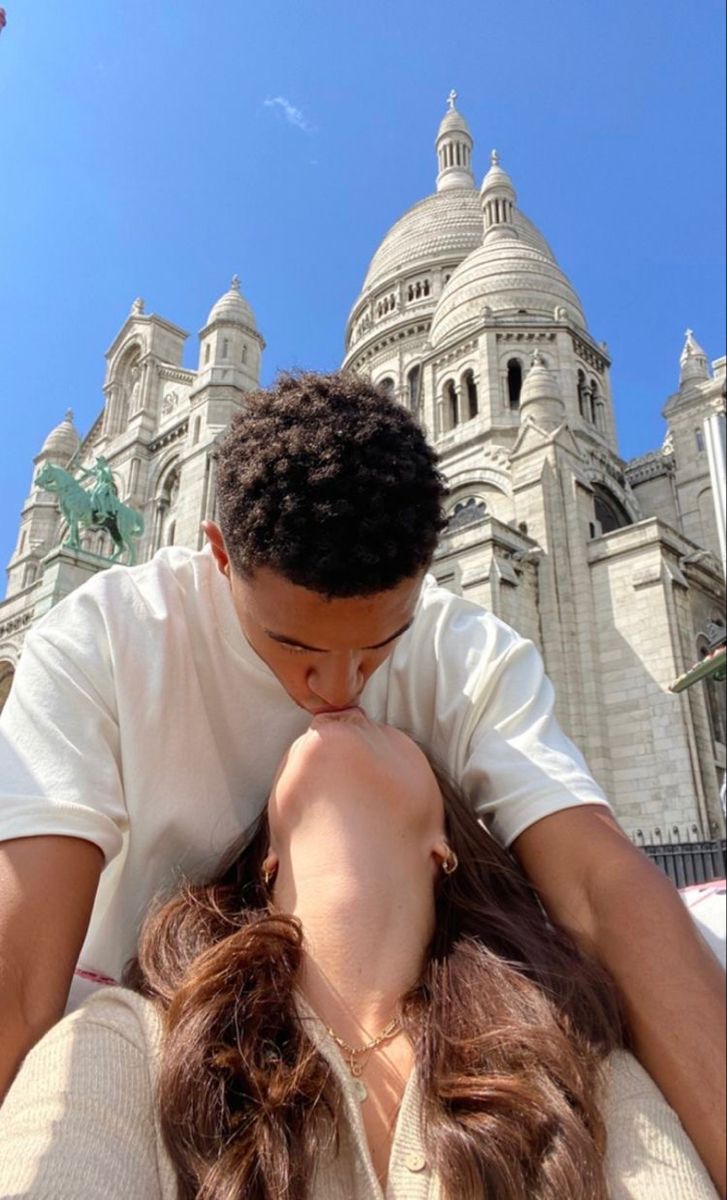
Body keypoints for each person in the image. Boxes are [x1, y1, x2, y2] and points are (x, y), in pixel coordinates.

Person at [0, 371, 724, 1193]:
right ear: (219, 553)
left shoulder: (468, 656)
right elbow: (19, 982)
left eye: (382, 644)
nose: (339, 691)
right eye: (296, 648)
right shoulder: (102, 641)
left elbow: (599, 886)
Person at [0, 711, 718, 1199]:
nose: (338, 706)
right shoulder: (128, 1040)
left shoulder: (577, 1053)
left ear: (444, 842)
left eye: (383, 722)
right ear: (267, 859)